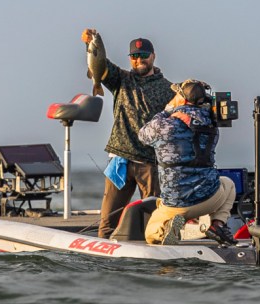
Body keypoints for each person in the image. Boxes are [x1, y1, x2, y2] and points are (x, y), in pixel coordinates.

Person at [81, 29, 175, 239]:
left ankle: (153, 253)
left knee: (153, 220)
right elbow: (99, 63)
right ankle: (103, 254)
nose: (139, 60)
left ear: (153, 56)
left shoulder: (169, 89)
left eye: (143, 55)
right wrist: (89, 43)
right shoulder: (121, 79)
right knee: (107, 221)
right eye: (134, 56)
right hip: (120, 161)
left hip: (150, 163)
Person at [138, 79, 237, 245]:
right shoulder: (212, 124)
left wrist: (167, 110)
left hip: (176, 202)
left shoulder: (164, 125)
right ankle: (218, 224)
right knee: (228, 183)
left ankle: (165, 230)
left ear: (182, 99)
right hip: (209, 197)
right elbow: (197, 118)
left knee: (150, 234)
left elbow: (142, 135)